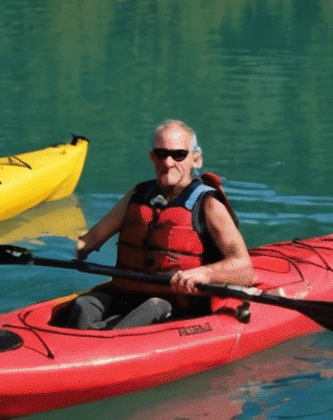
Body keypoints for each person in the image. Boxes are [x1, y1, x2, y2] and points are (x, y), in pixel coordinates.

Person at [59, 120, 253, 330]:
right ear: (152, 157)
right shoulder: (137, 195)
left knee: (154, 306)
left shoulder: (208, 204)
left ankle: (103, 345)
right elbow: (91, 239)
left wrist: (203, 274)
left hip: (178, 307)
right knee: (83, 305)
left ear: (195, 159)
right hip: (125, 296)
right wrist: (68, 250)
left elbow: (244, 269)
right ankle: (83, 345)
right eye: (161, 154)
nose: (168, 162)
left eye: (178, 154)